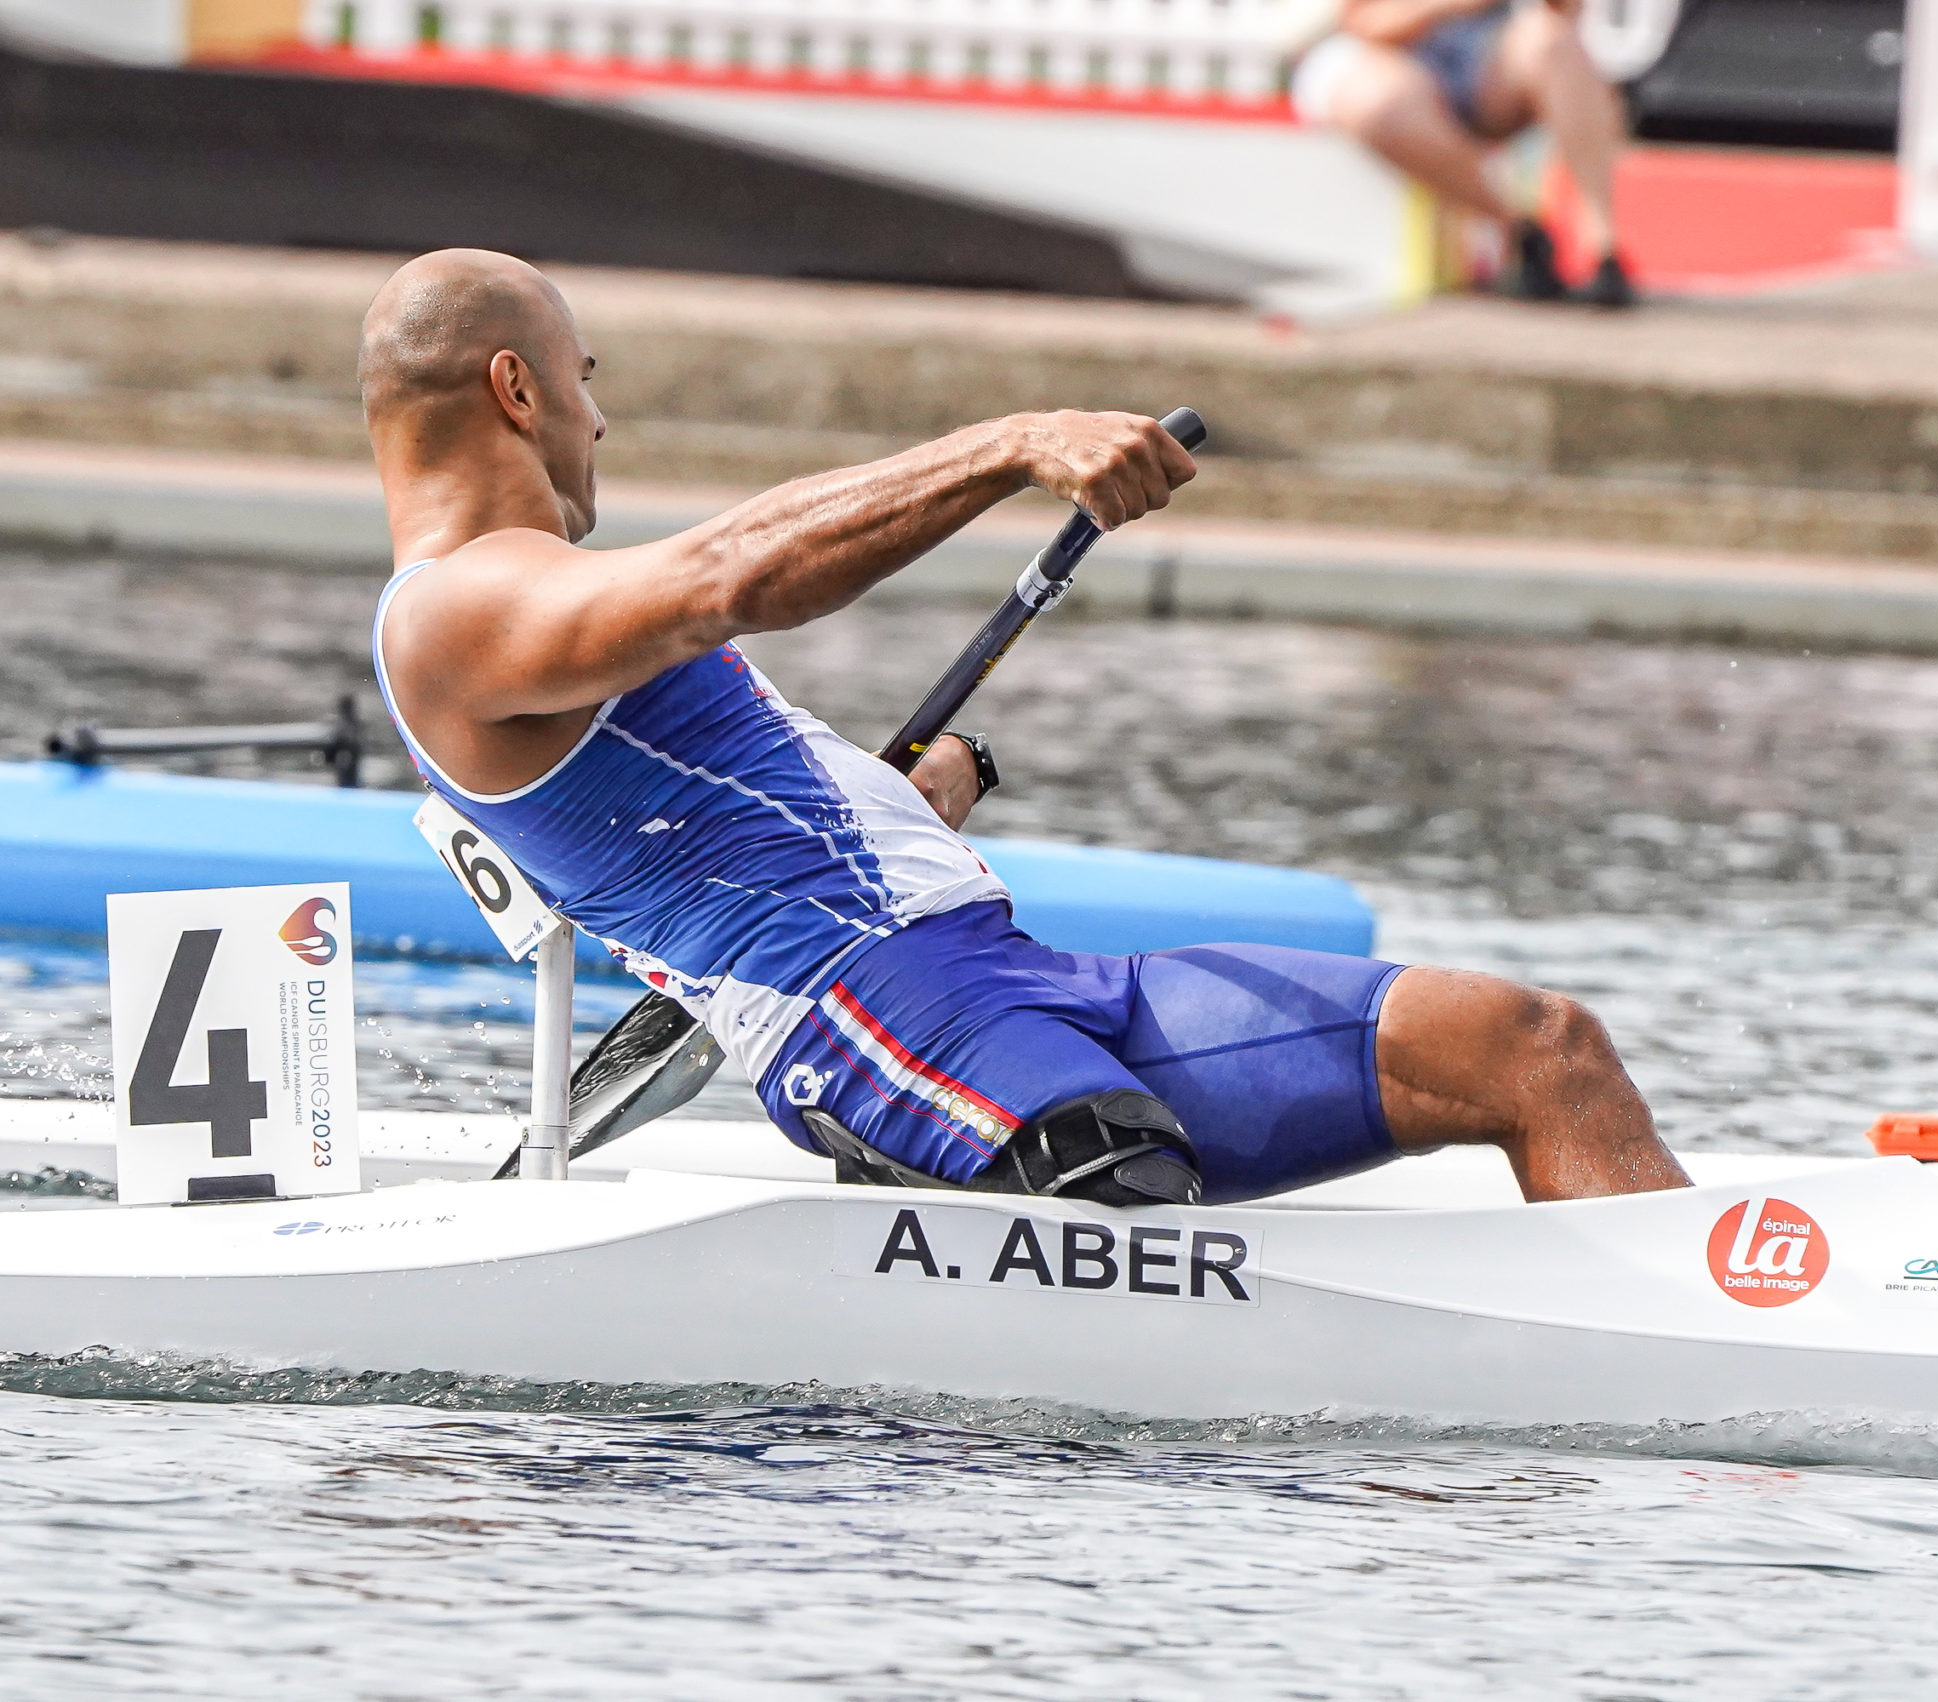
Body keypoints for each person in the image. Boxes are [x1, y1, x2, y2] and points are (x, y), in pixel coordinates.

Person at [364, 248, 1687, 1208]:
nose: (600, 418)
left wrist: (906, 798)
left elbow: (703, 797)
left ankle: (1704, 1348)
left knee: (1534, 1047)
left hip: (1012, 976)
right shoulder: (460, 604)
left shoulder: (533, 601)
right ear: (517, 390)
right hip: (863, 1014)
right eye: (585, 382)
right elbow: (733, 580)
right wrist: (1013, 443)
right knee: (1117, 1178)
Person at [1293, 0, 1634, 306]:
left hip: (1487, 62)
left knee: (1555, 42)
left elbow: (1563, 17)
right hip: (1390, 62)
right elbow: (1364, 23)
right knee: (1378, 104)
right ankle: (1520, 232)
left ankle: (1604, 251)